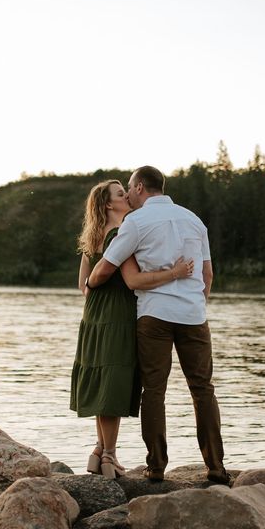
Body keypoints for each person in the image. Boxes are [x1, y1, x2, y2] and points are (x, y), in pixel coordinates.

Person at [87, 166, 229, 484]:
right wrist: (195, 302)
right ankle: (217, 468)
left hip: (154, 317)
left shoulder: (136, 223)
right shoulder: (194, 220)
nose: (128, 194)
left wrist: (90, 285)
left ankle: (157, 467)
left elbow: (106, 267)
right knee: (203, 390)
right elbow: (207, 275)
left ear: (139, 188)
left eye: (129, 188)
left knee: (154, 391)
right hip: (194, 317)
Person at [71, 179, 193, 479]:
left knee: (102, 378)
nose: (127, 196)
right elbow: (132, 280)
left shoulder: (92, 238)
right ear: (109, 204)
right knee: (112, 382)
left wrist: (97, 292)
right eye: (120, 194)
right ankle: (110, 456)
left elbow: (83, 285)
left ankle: (98, 451)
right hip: (118, 314)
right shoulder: (119, 235)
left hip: (94, 314)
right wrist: (174, 273)